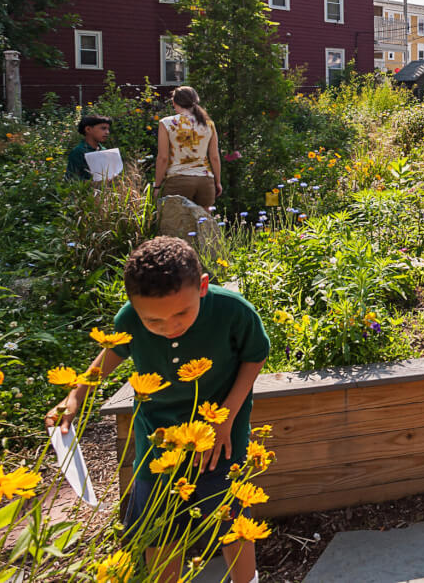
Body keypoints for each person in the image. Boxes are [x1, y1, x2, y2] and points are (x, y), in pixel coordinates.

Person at [46, 237, 270, 583]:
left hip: (220, 431)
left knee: (230, 512)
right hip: (157, 432)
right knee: (159, 521)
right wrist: (75, 396)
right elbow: (108, 357)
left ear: (203, 287)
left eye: (181, 313)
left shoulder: (233, 310)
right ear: (134, 309)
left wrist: (225, 417)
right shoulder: (129, 319)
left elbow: (255, 354)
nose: (170, 326)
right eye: (154, 321)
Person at [155, 86, 222, 209]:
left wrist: (157, 186)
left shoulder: (166, 123)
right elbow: (214, 157)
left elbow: (163, 158)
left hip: (178, 180)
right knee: (203, 224)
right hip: (205, 181)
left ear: (174, 102)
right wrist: (217, 182)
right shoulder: (208, 124)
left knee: (175, 223)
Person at [66, 114, 111, 181]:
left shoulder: (104, 150)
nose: (107, 132)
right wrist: (93, 184)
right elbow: (71, 179)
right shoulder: (79, 152)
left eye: (108, 129)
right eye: (103, 128)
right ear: (88, 129)